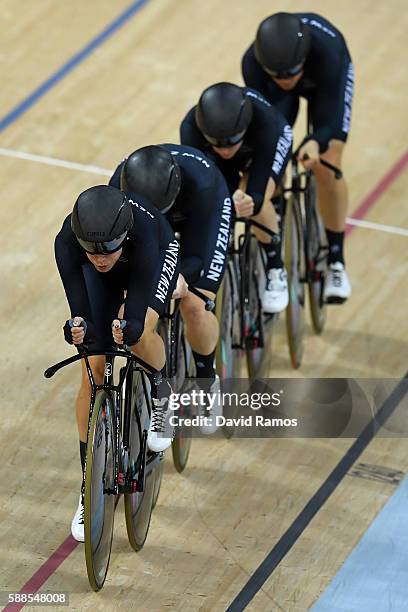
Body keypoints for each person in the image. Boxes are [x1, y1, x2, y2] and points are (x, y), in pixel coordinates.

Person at [55, 184, 179, 541]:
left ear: (122, 235)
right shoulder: (68, 243)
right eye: (92, 249)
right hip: (104, 279)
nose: (100, 255)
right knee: (92, 366)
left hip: (152, 257)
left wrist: (128, 326)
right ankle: (87, 486)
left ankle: (163, 394)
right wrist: (76, 329)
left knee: (137, 335)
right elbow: (79, 311)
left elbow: (137, 315)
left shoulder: (143, 235)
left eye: (108, 247)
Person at [110, 144, 232, 431]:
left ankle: (206, 378)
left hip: (198, 221)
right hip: (148, 231)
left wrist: (177, 275)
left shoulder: (203, 187)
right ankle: (156, 386)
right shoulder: (118, 185)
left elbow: (198, 259)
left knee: (194, 304)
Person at [242, 12, 354, 302]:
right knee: (264, 160)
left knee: (328, 162)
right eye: (278, 74)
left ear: (302, 60)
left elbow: (333, 118)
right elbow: (265, 130)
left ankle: (336, 260)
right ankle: (274, 212)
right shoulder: (253, 63)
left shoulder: (328, 52)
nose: (286, 79)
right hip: (278, 97)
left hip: (325, 84)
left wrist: (317, 141)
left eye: (291, 73)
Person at [180, 81, 292, 313]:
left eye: (231, 141)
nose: (224, 148)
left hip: (267, 145)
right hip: (224, 161)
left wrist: (251, 199)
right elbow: (202, 182)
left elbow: (259, 185)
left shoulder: (264, 122)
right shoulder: (191, 128)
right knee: (216, 204)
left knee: (254, 202)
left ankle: (275, 267)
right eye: (218, 143)